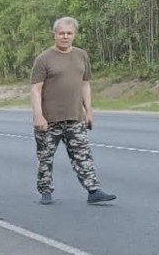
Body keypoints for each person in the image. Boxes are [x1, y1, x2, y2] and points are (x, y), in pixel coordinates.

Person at [31, 16, 116, 205]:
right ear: (54, 34)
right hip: (49, 119)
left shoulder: (81, 55)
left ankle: (93, 190)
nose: (65, 36)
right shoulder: (43, 59)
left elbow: (85, 85)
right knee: (45, 157)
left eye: (69, 33)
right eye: (61, 33)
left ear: (74, 35)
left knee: (83, 154)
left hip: (75, 117)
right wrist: (38, 115)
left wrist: (89, 112)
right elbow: (35, 89)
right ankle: (46, 191)